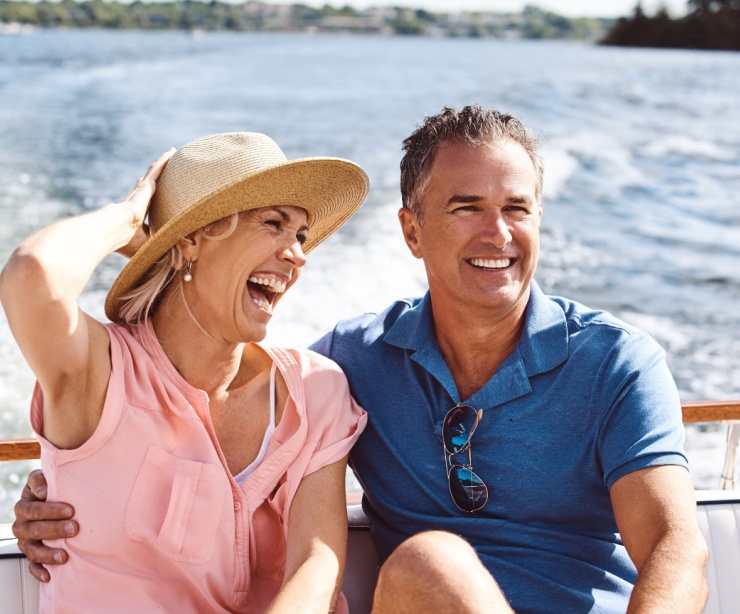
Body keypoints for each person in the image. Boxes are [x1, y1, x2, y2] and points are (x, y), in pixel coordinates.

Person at [13, 107, 709, 613]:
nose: (498, 233)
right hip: (426, 597)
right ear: (411, 230)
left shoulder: (616, 362)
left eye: (517, 209)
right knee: (430, 563)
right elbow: (50, 300)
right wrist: (67, 481)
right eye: (466, 207)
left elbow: (679, 546)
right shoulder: (353, 363)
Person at [0, 132, 369, 613]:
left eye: (300, 235)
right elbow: (32, 274)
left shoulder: (316, 390)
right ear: (191, 241)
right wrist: (129, 219)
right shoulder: (101, 373)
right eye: (273, 224)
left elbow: (315, 565)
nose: (298, 254)